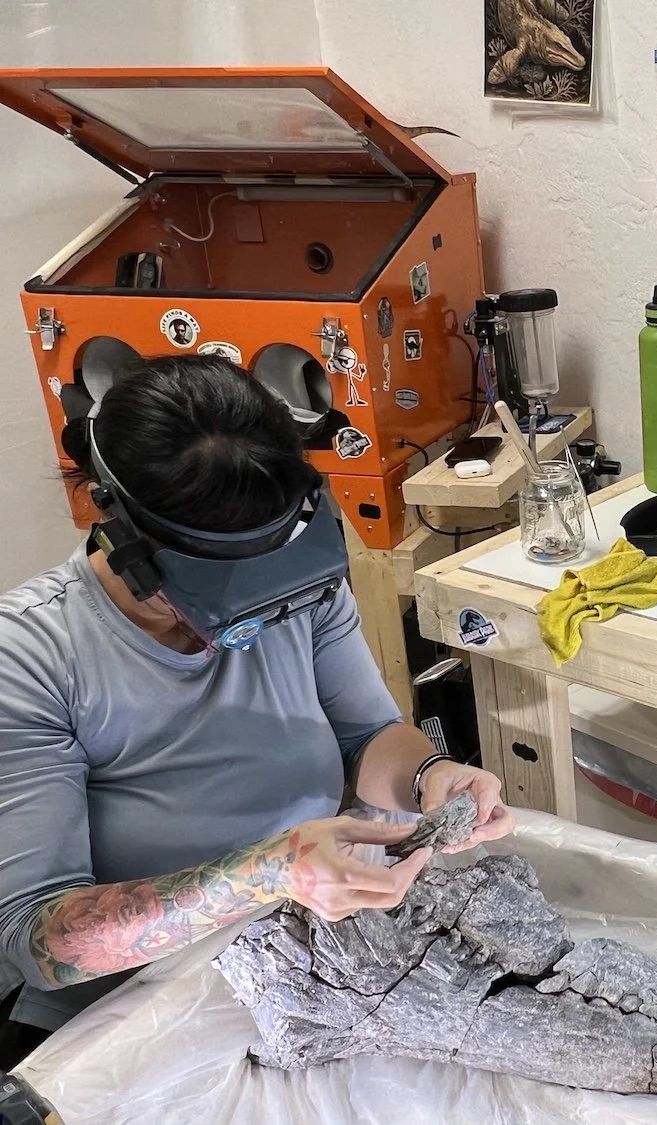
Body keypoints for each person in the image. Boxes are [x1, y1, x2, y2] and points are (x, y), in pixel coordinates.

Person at [0, 354, 514, 1064]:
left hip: (305, 943)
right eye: (223, 595)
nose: (255, 621)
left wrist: (430, 777)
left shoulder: (295, 578)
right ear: (121, 534)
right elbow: (40, 942)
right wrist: (266, 872)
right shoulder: (28, 657)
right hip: (138, 1010)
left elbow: (364, 735)